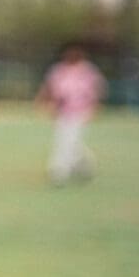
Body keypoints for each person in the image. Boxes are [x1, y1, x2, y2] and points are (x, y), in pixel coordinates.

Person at [35, 42, 105, 185]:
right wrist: (43, 101)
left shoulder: (88, 71)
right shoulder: (58, 70)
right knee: (67, 139)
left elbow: (97, 90)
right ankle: (86, 163)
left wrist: (95, 107)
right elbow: (49, 87)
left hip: (81, 111)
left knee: (68, 140)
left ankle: (58, 170)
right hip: (63, 111)